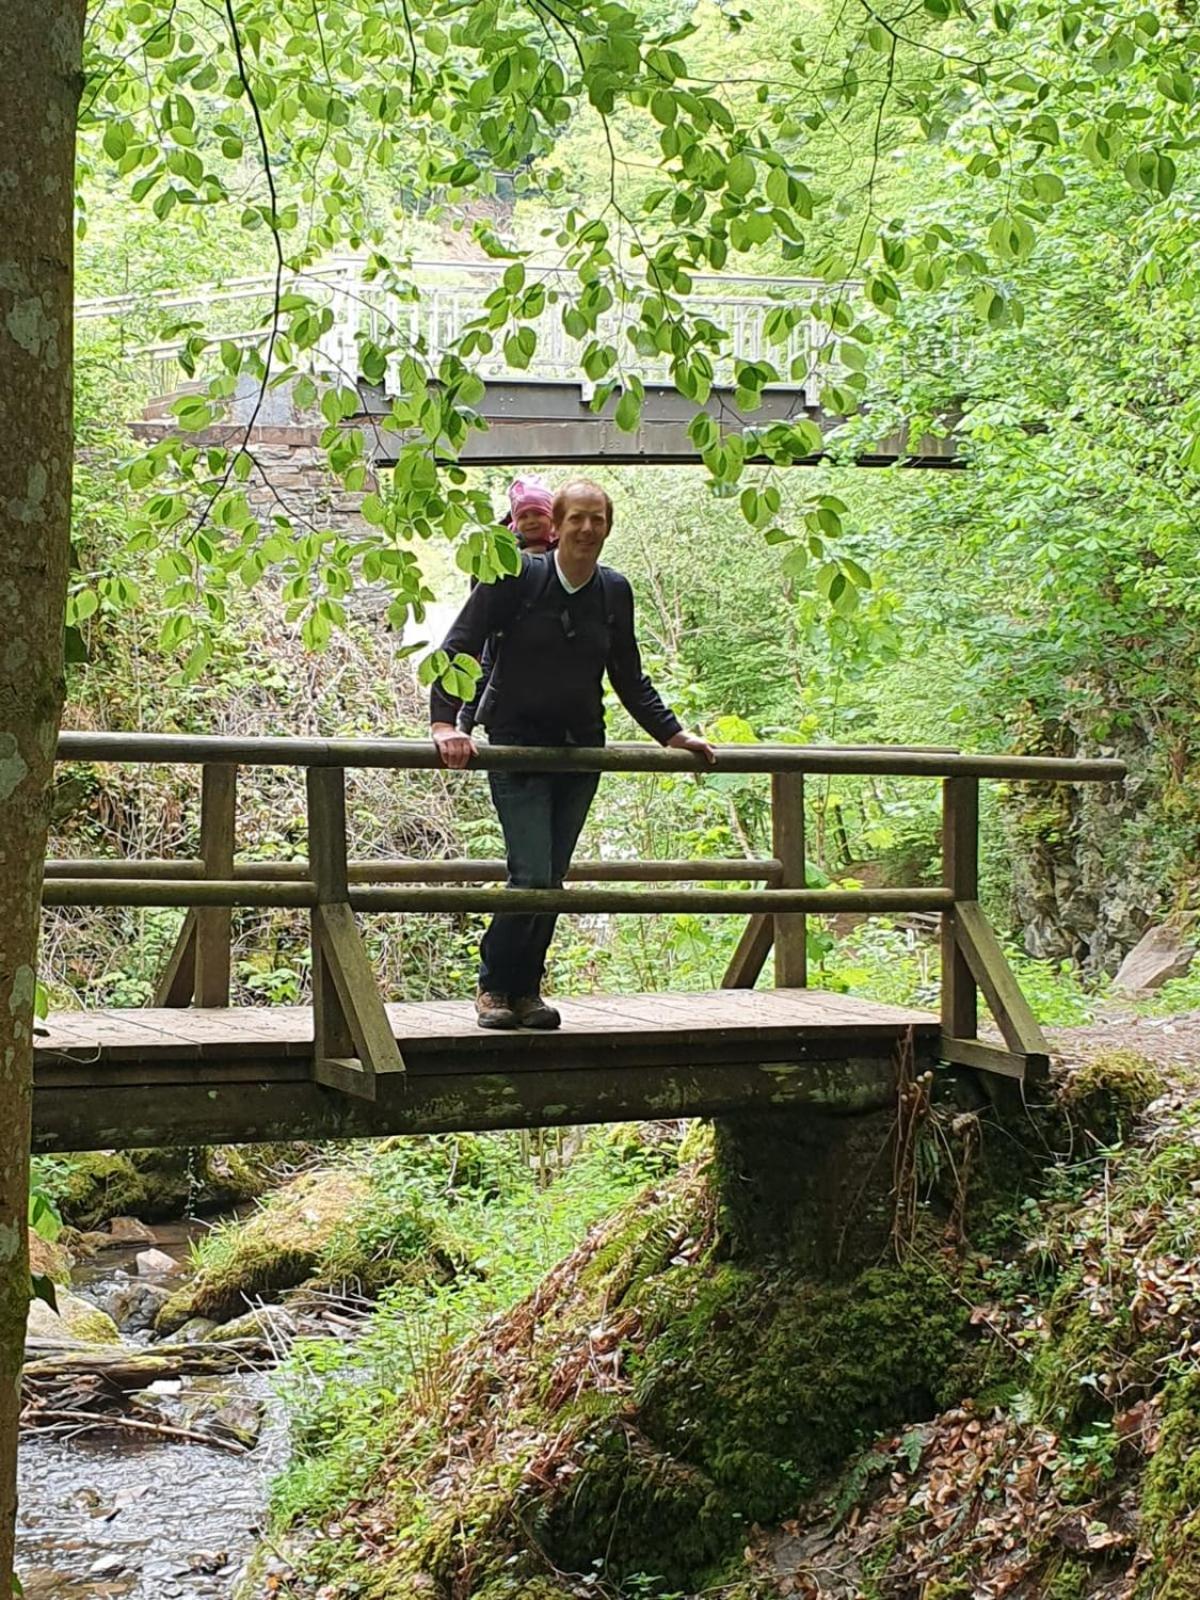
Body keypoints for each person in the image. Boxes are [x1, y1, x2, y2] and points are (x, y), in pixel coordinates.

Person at [430, 478, 716, 1031]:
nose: (587, 529)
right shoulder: (515, 578)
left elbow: (629, 676)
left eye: (598, 519)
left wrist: (674, 735)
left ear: (608, 528)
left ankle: (527, 991)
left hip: (581, 751)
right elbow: (458, 646)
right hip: (516, 746)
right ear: (555, 526)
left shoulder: (614, 592)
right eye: (577, 519)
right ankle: (494, 987)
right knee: (531, 873)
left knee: (552, 878)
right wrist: (445, 722)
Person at [459, 475, 556, 736]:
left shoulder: (567, 553)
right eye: (524, 516)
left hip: (547, 649)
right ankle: (465, 723)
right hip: (502, 636)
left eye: (539, 513)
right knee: (486, 667)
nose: (532, 521)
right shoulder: (500, 553)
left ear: (552, 516)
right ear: (515, 521)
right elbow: (478, 601)